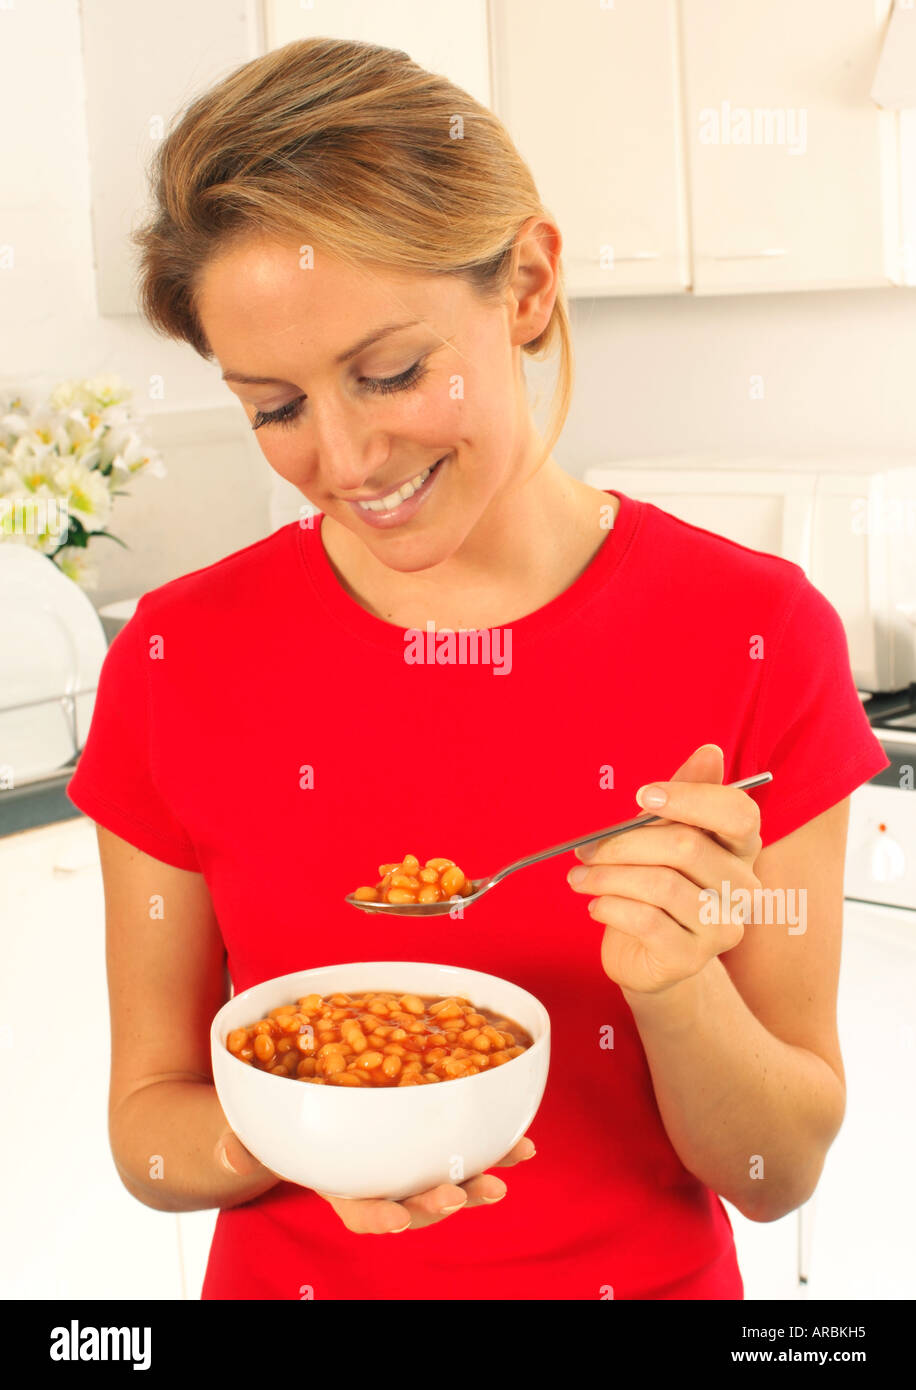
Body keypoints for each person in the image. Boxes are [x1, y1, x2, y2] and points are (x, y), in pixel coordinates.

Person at [67, 36, 889, 1300]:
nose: (343, 459)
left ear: (527, 284)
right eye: (272, 407)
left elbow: (777, 1169)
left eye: (388, 371)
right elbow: (148, 1134)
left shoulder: (757, 631)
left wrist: (676, 986)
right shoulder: (179, 657)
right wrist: (298, 1133)